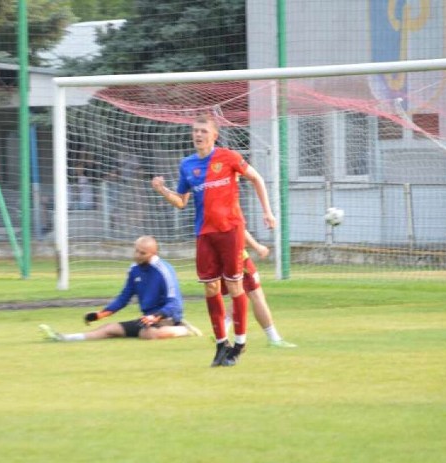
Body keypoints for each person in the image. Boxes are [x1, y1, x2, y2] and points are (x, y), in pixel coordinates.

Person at [151, 113, 276, 367]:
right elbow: (181, 202)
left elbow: (256, 178)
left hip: (231, 231)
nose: (198, 135)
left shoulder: (228, 157)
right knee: (210, 288)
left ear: (214, 135)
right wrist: (163, 190)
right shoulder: (187, 165)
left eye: (203, 131)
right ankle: (221, 344)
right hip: (205, 234)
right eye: (195, 130)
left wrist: (267, 211)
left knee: (234, 287)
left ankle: (240, 343)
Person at [39, 235, 202, 341]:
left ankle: (183, 329)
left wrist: (156, 317)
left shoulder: (164, 270)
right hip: (147, 319)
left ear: (153, 254)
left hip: (167, 317)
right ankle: (64, 338)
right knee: (109, 329)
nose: (137, 255)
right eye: (136, 251)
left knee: (149, 334)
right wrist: (101, 314)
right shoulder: (134, 269)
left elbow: (174, 304)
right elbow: (124, 298)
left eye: (142, 253)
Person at [222, 230, 296, 348]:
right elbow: (238, 226)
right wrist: (257, 247)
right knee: (256, 294)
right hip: (236, 255)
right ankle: (274, 338)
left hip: (217, 251)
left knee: (240, 294)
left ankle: (222, 331)